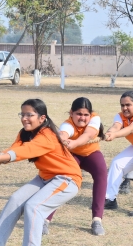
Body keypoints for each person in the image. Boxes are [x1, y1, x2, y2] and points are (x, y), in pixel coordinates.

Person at [0, 98, 82, 246]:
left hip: (66, 179)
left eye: (29, 115)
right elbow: (16, 148)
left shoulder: (47, 135)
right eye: (22, 114)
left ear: (42, 118)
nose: (24, 118)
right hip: (45, 177)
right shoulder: (25, 133)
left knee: (34, 207)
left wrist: (0, 158)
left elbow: (26, 151)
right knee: (15, 199)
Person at [46, 97, 107, 236]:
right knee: (62, 179)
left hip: (91, 153)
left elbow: (88, 134)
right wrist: (61, 139)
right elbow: (64, 133)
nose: (82, 118)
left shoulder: (95, 119)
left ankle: (97, 220)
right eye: (79, 114)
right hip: (72, 155)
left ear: (90, 114)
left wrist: (74, 143)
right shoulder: (67, 124)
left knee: (102, 173)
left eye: (86, 114)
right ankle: (46, 219)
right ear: (71, 113)